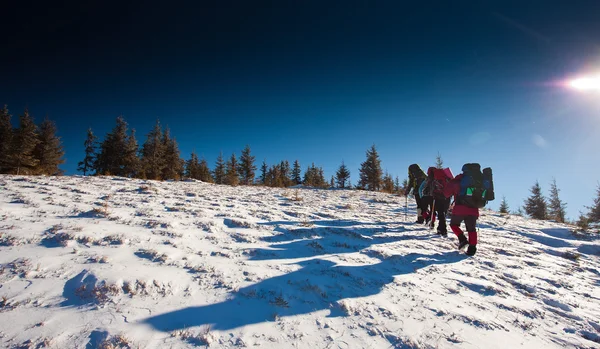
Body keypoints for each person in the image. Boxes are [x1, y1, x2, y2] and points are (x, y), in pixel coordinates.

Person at [443, 169, 478, 256]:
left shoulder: (457, 181)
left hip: (460, 208)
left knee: (454, 225)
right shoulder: (478, 182)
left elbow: (446, 193)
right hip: (473, 209)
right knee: (472, 229)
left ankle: (462, 239)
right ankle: (472, 249)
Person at [425, 167, 453, 236]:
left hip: (438, 196)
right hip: (448, 196)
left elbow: (428, 188)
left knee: (440, 213)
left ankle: (443, 229)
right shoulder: (445, 175)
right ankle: (441, 228)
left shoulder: (432, 177)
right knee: (444, 212)